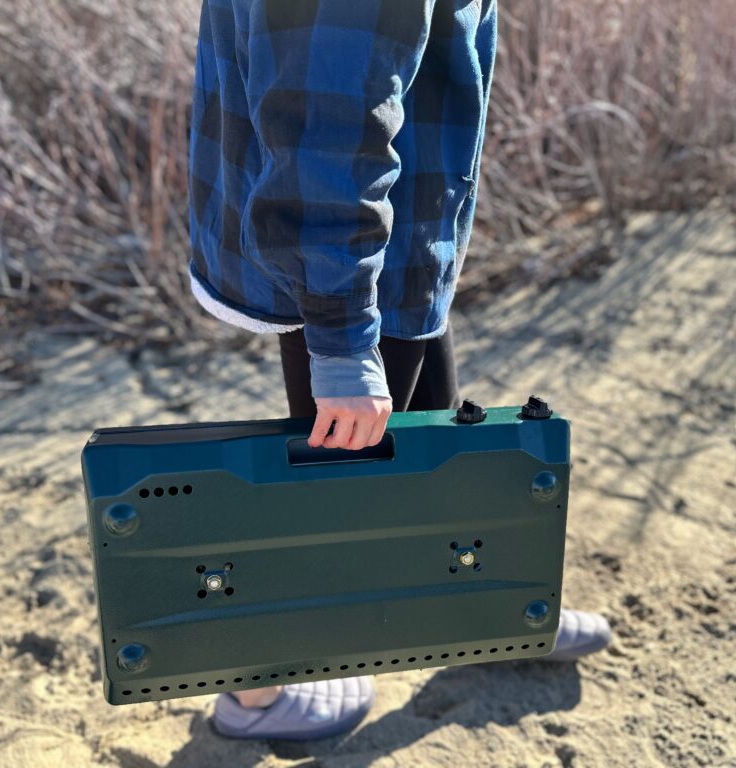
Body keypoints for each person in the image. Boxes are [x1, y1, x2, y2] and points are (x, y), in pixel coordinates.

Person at [185, 0, 611, 741]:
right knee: (338, 492)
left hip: (390, 226)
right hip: (344, 242)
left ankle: (483, 610)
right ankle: (257, 693)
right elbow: (328, 111)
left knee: (430, 436)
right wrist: (343, 337)